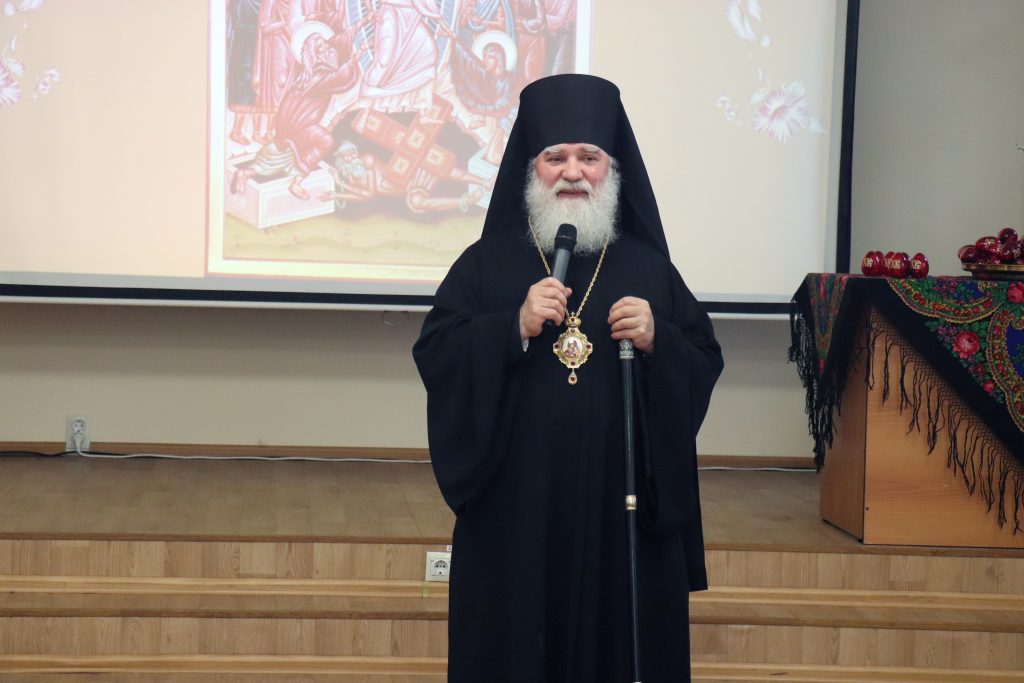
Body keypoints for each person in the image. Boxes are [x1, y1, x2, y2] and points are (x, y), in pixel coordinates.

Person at [412, 74, 723, 683]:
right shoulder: (486, 264)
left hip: (620, 510)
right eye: (555, 158)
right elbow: (437, 351)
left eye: (589, 158)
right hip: (518, 509)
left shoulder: (647, 268)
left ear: (613, 169)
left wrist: (659, 339)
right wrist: (512, 327)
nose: (573, 173)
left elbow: (703, 356)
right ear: (532, 170)